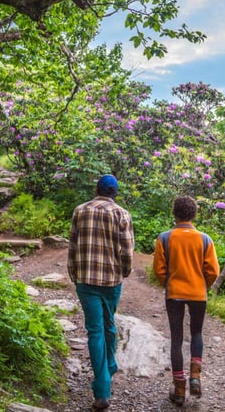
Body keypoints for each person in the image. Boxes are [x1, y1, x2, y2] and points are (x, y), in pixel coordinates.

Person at [68, 174, 135, 411]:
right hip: (110, 281)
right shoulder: (121, 214)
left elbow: (73, 245)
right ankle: (107, 376)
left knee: (94, 330)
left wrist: (73, 272)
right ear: (114, 193)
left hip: (85, 280)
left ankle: (102, 387)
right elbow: (127, 251)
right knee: (109, 325)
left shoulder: (80, 211)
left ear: (96, 189)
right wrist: (124, 272)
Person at [152, 196, 220, 406]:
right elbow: (213, 270)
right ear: (194, 214)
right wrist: (203, 284)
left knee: (176, 339)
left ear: (175, 213)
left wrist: (169, 283)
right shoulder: (205, 239)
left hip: (174, 294)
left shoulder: (164, 238)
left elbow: (159, 270)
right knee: (197, 333)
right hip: (198, 294)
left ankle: (179, 389)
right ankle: (196, 377)